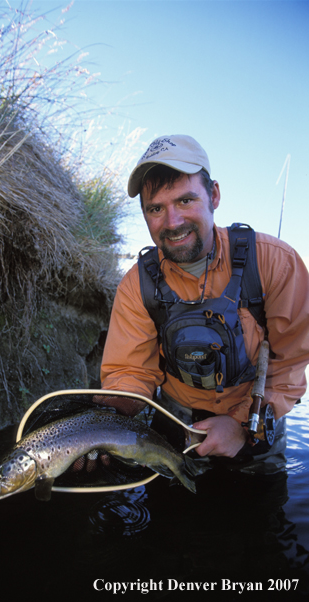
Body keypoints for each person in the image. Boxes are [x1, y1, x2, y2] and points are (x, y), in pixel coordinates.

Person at [97, 134, 309, 475]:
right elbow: (130, 374)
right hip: (175, 425)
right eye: (155, 208)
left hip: (257, 420)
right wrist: (107, 422)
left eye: (185, 200)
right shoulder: (135, 286)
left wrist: (240, 426)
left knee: (262, 518)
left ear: (214, 195)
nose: (172, 222)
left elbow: (290, 365)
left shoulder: (276, 263)